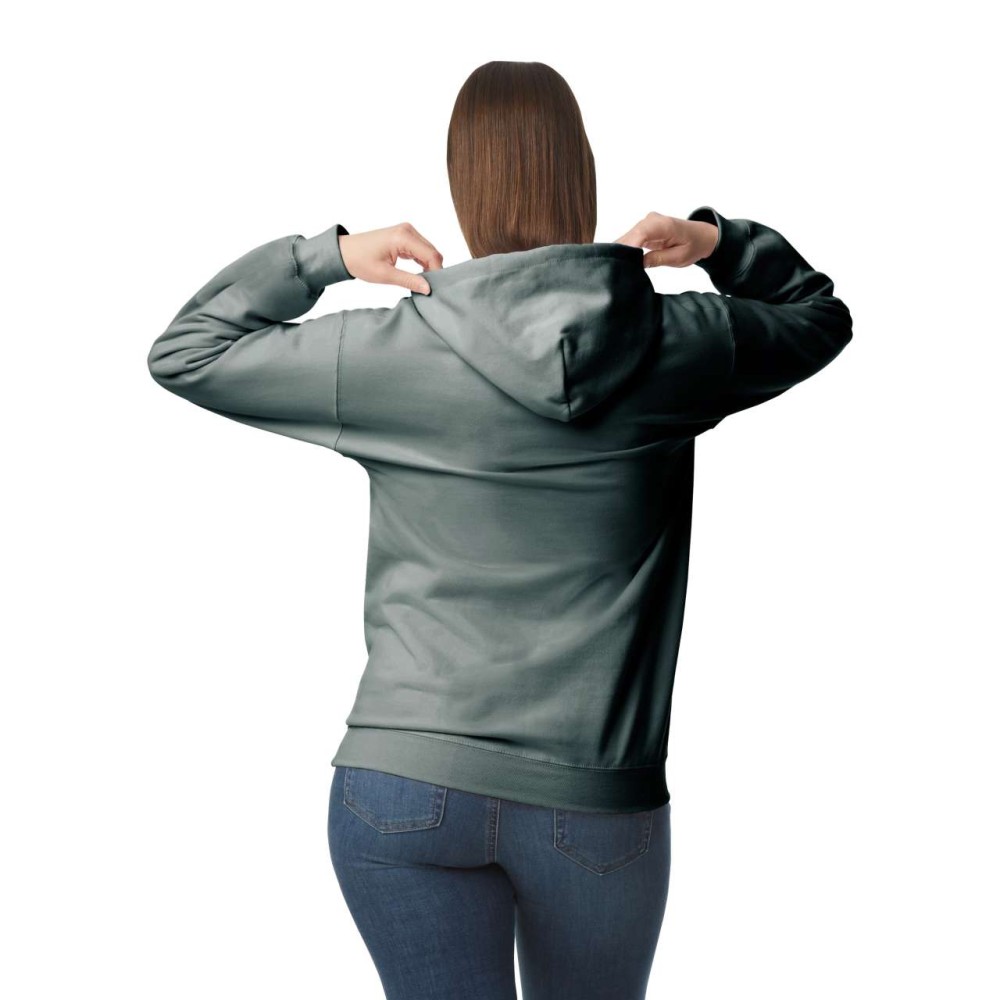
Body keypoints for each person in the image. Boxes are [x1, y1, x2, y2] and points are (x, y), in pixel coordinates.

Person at [147, 60, 852, 1000]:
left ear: (462, 184)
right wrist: (718, 243)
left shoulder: (390, 352)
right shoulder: (677, 345)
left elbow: (187, 352)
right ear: (582, 172)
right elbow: (818, 316)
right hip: (593, 796)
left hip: (402, 785)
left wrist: (328, 258)